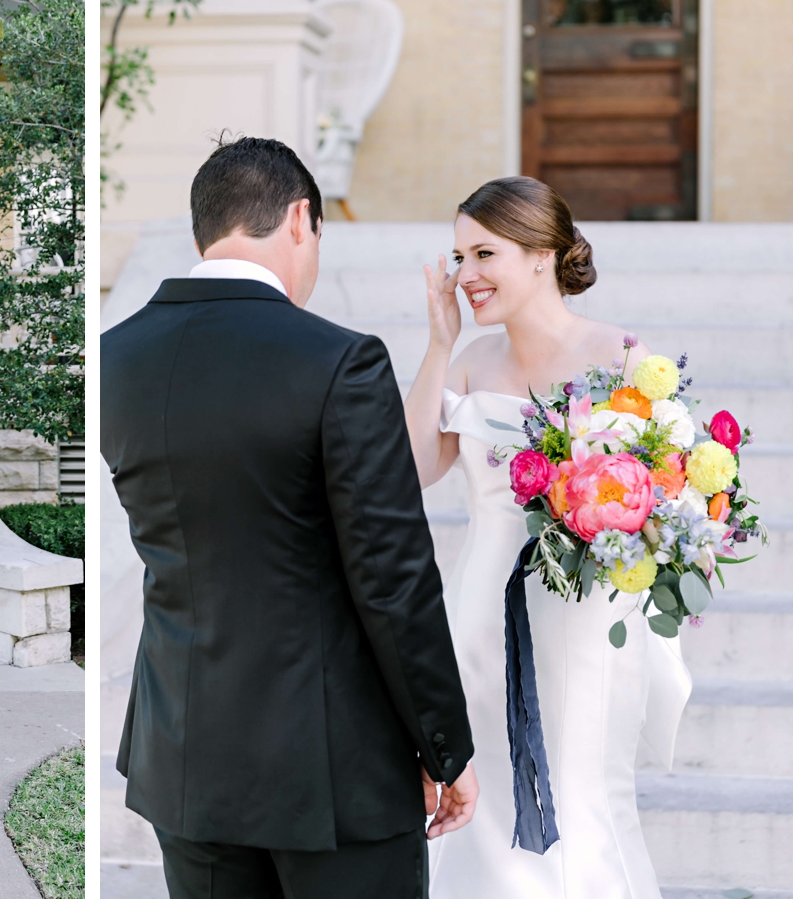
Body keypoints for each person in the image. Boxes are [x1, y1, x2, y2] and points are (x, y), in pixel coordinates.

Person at [102, 136, 478, 899]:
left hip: (184, 756)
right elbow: (393, 577)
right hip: (334, 772)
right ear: (301, 219)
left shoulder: (114, 356)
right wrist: (446, 745)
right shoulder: (340, 360)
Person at [404, 176, 690, 898]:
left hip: (588, 612)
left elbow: (673, 487)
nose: (465, 275)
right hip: (482, 611)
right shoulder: (470, 363)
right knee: (487, 799)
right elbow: (410, 468)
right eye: (459, 256)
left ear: (540, 255)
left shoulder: (622, 357)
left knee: (586, 792)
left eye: (483, 253)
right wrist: (439, 345)